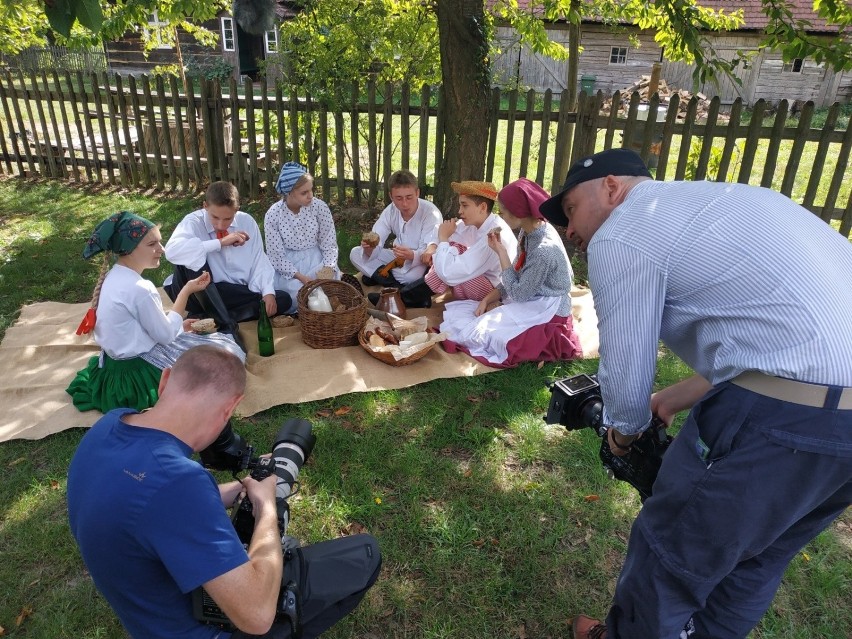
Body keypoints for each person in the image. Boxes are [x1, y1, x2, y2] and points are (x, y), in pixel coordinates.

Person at [536, 148, 852, 639]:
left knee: (671, 555)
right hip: (835, 422)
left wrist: (621, 436)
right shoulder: (737, 200)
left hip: (781, 415)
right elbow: (787, 332)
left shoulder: (623, 231)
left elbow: (626, 362)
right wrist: (676, 396)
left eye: (571, 209)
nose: (570, 232)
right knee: (756, 560)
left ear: (612, 187)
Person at [67, 345, 382, 639]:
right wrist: (267, 510)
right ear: (230, 408)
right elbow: (256, 617)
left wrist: (240, 489)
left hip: (146, 618)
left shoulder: (108, 426)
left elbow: (147, 504)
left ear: (164, 382)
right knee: (365, 554)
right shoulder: (178, 483)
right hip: (209, 629)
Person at [66, 212, 245, 414]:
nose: (162, 249)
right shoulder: (139, 288)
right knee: (227, 354)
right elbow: (166, 336)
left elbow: (140, 326)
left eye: (159, 242)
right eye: (152, 244)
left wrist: (179, 326)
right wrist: (186, 291)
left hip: (114, 369)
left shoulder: (114, 275)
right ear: (129, 249)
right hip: (139, 376)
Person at [440, 178, 582, 367]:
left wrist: (501, 253)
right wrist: (487, 299)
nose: (501, 217)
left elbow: (519, 293)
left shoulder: (544, 250)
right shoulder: (528, 232)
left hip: (548, 308)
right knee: (471, 322)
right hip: (532, 297)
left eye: (503, 212)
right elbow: (516, 274)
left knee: (491, 337)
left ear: (520, 213)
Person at [164, 181, 292, 329]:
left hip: (232, 292)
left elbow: (259, 259)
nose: (220, 225)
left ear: (236, 210)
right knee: (193, 256)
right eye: (215, 217)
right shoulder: (193, 222)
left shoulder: (247, 222)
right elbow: (172, 251)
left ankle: (213, 317)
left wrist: (268, 292)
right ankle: (226, 323)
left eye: (227, 219)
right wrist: (220, 242)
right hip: (197, 292)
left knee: (283, 299)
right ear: (205, 206)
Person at [414, 181, 518, 308]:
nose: (459, 211)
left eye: (464, 206)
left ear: (483, 207)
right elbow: (441, 230)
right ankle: (416, 293)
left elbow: (449, 274)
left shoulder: (493, 235)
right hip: (482, 277)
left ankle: (415, 294)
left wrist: (443, 239)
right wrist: (433, 246)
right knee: (451, 247)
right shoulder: (476, 222)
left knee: (452, 261)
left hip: (498, 291)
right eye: (460, 205)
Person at [349, 169, 442, 307]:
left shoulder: (430, 212)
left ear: (417, 193)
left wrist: (412, 255)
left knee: (409, 277)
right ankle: (397, 289)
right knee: (356, 253)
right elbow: (377, 237)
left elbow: (430, 249)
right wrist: (369, 249)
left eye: (409, 197)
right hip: (396, 256)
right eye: (398, 198)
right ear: (391, 196)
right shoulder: (391, 210)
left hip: (418, 260)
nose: (404, 203)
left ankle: (382, 278)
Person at [264, 162, 342, 314]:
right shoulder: (273, 214)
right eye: (304, 192)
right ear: (289, 192)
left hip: (316, 258)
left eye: (311, 190)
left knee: (328, 289)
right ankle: (306, 315)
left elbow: (329, 242)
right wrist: (300, 277)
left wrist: (328, 267)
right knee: (295, 293)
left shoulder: (319, 207)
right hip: (289, 265)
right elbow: (276, 255)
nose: (310, 195)